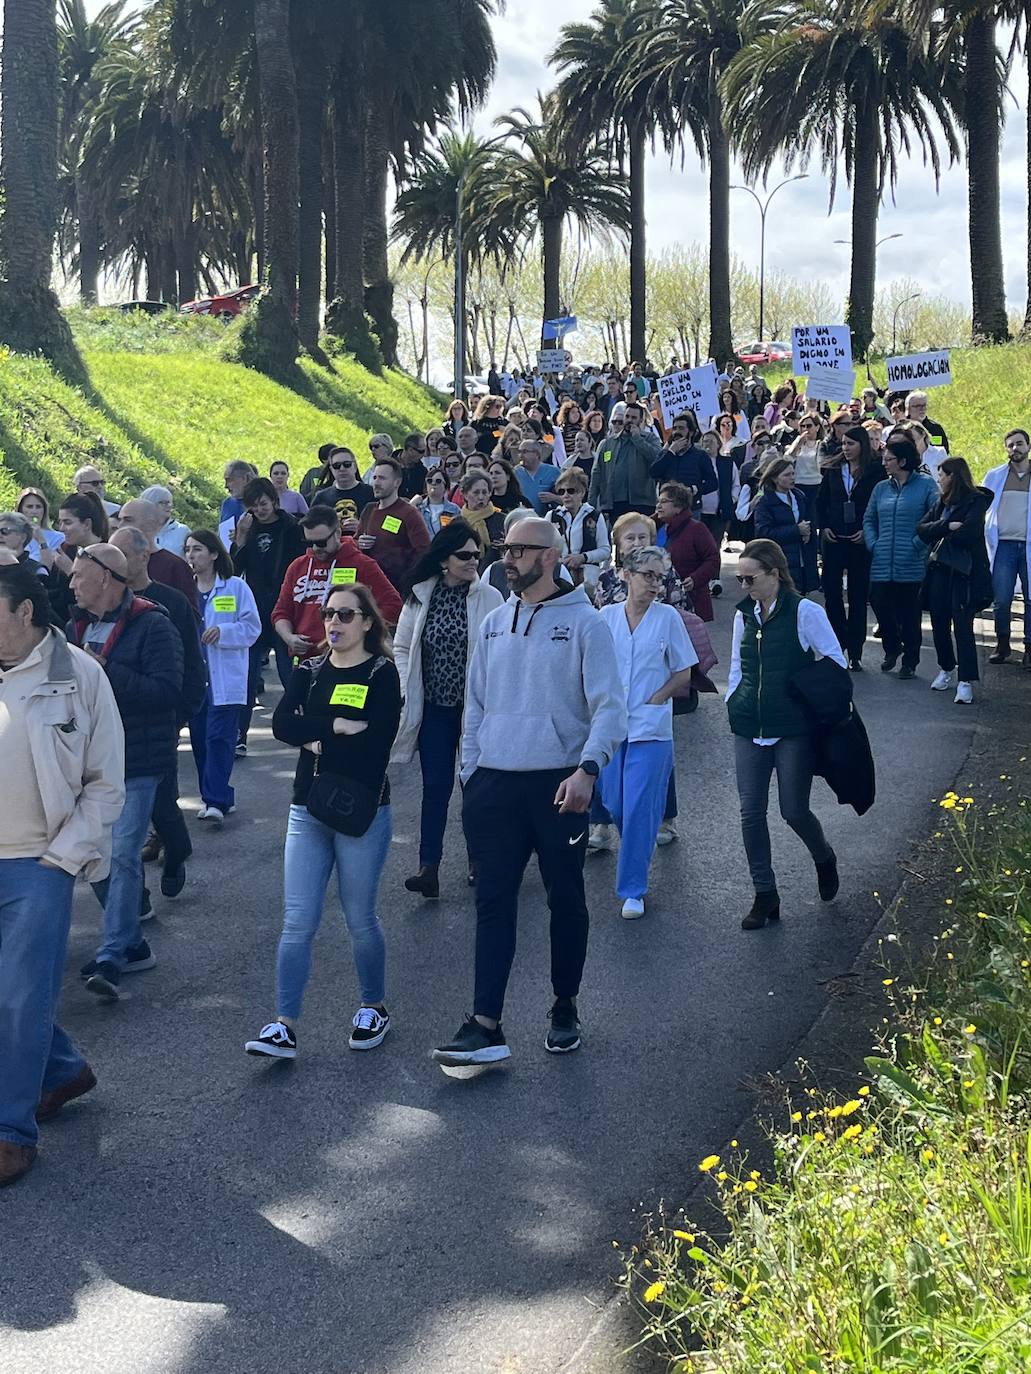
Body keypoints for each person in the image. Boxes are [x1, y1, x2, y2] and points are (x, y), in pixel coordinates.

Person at [432, 517, 626, 1067]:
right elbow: (476, 705)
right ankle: (485, 1023)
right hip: (494, 783)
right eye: (506, 549)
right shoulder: (494, 622)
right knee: (493, 902)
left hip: (559, 782)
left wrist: (588, 768)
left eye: (519, 550)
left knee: (566, 898)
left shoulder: (587, 625)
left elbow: (609, 707)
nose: (508, 558)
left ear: (550, 557)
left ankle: (564, 1006)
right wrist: (472, 774)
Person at [0, 557, 125, 1188]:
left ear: (24, 611)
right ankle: (62, 1070)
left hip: (39, 863)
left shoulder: (80, 676)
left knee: (18, 997)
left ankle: (10, 1134)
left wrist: (61, 859)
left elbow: (106, 784)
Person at [245, 584, 401, 1059]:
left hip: (362, 811)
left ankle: (373, 1006)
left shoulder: (381, 673)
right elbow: (281, 726)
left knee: (359, 920)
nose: (334, 623)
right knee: (297, 922)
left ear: (368, 623)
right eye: (329, 614)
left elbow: (376, 745)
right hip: (307, 806)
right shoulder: (309, 670)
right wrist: (331, 729)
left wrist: (312, 737)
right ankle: (283, 1024)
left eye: (346, 615)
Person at [66, 542, 184, 999]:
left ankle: (113, 954)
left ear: (106, 578)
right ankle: (134, 944)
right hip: (83, 759)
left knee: (121, 853)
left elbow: (166, 692)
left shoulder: (152, 624)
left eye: (79, 575)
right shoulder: (73, 626)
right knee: (92, 854)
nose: (72, 583)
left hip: (137, 760)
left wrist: (104, 671)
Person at [727, 538, 844, 930]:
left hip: (792, 727)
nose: (743, 587)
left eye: (749, 579)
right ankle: (765, 894)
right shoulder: (744, 614)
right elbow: (736, 666)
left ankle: (823, 855)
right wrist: (734, 700)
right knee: (750, 812)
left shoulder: (804, 611)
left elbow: (834, 662)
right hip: (749, 724)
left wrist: (802, 692)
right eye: (739, 579)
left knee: (793, 810)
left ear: (774, 574)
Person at [392, 522, 504, 899]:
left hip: (477, 710)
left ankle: (480, 860)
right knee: (435, 788)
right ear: (444, 560)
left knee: (475, 787)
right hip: (436, 710)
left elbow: (503, 652)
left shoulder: (490, 598)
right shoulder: (420, 597)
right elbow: (403, 647)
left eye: (477, 554)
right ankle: (429, 867)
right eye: (465, 555)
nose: (474, 561)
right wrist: (408, 687)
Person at [597, 547, 697, 919]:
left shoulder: (667, 617)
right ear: (626, 575)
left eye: (661, 577)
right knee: (616, 803)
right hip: (610, 729)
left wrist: (657, 699)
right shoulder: (605, 617)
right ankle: (637, 844)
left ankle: (633, 888)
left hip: (652, 729)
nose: (656, 584)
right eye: (648, 576)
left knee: (638, 807)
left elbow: (683, 672)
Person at [109, 524, 206, 902]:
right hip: (115, 721)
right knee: (122, 814)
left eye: (123, 556)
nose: (115, 566)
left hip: (161, 715)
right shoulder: (108, 599)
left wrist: (182, 711)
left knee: (162, 802)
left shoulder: (170, 601)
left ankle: (177, 850)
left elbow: (192, 666)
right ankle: (137, 898)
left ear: (143, 555)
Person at [184, 530, 260, 823]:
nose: (192, 555)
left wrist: (224, 632)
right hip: (196, 679)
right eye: (188, 550)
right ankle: (219, 796)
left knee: (219, 739)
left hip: (225, 679)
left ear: (214, 554)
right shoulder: (185, 590)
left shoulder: (235, 588)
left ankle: (214, 799)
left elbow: (252, 628)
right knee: (201, 740)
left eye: (198, 549)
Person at [231, 477, 305, 751]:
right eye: (253, 506)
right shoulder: (248, 529)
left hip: (285, 609)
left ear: (274, 501)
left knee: (290, 673)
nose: (259, 510)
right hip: (254, 610)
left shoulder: (291, 528)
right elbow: (232, 570)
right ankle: (239, 735)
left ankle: (302, 728)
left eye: (263, 504)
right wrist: (240, 538)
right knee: (247, 677)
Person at [272, 508, 402, 664]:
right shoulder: (297, 566)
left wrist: (358, 629)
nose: (315, 548)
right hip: (302, 659)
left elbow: (393, 605)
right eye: (309, 542)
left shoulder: (362, 564)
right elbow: (281, 612)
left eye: (321, 542)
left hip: (348, 658)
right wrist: (289, 638)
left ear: (337, 534)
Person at [917, 457, 992, 704]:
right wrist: (948, 525)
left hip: (964, 574)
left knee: (963, 626)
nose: (939, 480)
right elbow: (923, 529)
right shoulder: (942, 503)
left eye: (942, 475)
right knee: (938, 621)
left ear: (953, 476)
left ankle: (966, 679)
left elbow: (969, 534)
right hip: (940, 569)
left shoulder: (976, 501)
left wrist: (949, 531)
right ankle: (946, 667)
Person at [863, 434, 938, 679]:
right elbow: (869, 518)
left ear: (903, 461)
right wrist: (874, 543)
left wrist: (919, 544)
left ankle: (910, 660)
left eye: (889, 459)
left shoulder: (926, 485)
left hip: (912, 560)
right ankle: (892, 648)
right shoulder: (881, 488)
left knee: (909, 613)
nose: (885, 463)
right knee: (879, 602)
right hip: (882, 559)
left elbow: (936, 517)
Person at [817, 425, 882, 670]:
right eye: (843, 444)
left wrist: (868, 531)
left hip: (858, 540)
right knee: (832, 595)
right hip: (834, 539)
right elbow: (821, 501)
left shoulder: (874, 471)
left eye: (850, 444)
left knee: (857, 596)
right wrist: (823, 527)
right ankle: (837, 643)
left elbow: (876, 506)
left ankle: (855, 650)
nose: (845, 448)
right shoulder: (834, 469)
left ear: (862, 446)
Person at [983, 428, 1031, 666]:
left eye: (1019, 444)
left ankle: (1030, 646)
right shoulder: (995, 476)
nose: (1015, 449)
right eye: (1010, 445)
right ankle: (1002, 643)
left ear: (1028, 446)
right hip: (1004, 545)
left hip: (1029, 545)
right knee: (1002, 598)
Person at [355, 457, 431, 591]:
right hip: (368, 587)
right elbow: (355, 543)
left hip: (397, 587)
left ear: (397, 482)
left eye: (382, 478)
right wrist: (359, 543)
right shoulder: (369, 509)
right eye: (375, 478)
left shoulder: (409, 513)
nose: (376, 483)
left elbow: (424, 551)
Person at [117, 499, 199, 610]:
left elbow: (189, 615)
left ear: (150, 525)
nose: (120, 526)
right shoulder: (113, 560)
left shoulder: (175, 566)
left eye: (128, 520)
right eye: (119, 520)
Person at [654, 482, 719, 620]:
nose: (658, 506)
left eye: (664, 502)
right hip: (657, 598)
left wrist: (695, 578)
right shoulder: (651, 527)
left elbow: (713, 558)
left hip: (689, 599)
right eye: (658, 501)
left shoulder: (696, 529)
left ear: (678, 506)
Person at [588, 400, 661, 523]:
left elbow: (657, 460)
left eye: (634, 417)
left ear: (641, 420)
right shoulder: (608, 443)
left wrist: (638, 440)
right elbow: (597, 473)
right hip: (614, 503)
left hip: (642, 502)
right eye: (627, 416)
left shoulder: (650, 439)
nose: (629, 420)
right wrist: (591, 504)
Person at [753, 457, 817, 593]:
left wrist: (808, 532)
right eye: (787, 475)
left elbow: (809, 520)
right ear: (775, 478)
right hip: (779, 563)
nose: (792, 478)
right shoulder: (765, 502)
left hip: (802, 561)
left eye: (793, 474)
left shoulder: (799, 497)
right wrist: (796, 530)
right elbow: (762, 532)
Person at [548, 468, 610, 593]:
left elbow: (605, 550)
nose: (566, 495)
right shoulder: (551, 516)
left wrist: (583, 557)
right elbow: (544, 547)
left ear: (582, 492)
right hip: (559, 577)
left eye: (571, 491)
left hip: (588, 579)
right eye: (561, 491)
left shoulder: (595, 516)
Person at [650, 412, 718, 507]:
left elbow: (713, 483)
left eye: (681, 428)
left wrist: (694, 489)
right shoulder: (665, 454)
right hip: (667, 508)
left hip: (691, 507)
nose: (676, 432)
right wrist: (671, 452)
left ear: (691, 432)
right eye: (674, 428)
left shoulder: (700, 455)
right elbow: (654, 473)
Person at [309, 446, 375, 536]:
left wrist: (362, 527)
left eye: (347, 464)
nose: (342, 469)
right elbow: (311, 528)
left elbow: (383, 527)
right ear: (331, 470)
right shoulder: (321, 497)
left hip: (364, 547)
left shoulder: (372, 493)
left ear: (355, 466)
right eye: (337, 466)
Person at [455, 471, 505, 568]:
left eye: (485, 492)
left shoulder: (502, 520)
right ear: (465, 494)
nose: (481, 497)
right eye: (476, 492)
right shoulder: (457, 524)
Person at [785, 415, 825, 523]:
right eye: (802, 426)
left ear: (817, 427)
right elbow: (787, 460)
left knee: (812, 517)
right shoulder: (798, 443)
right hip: (798, 484)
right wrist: (798, 444)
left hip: (816, 485)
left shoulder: (821, 444)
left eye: (809, 426)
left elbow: (821, 465)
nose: (806, 429)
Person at [513, 437, 561, 515]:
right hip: (523, 519)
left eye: (525, 452)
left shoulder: (554, 472)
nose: (520, 456)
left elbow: (568, 498)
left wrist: (554, 498)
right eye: (519, 452)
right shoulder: (515, 472)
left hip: (546, 520)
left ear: (537, 454)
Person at [140, 485, 191, 557]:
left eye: (170, 502)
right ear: (149, 504)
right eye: (163, 503)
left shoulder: (182, 531)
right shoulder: (139, 530)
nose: (169, 506)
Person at [416, 467, 462, 536]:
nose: (433, 483)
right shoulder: (417, 507)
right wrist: (411, 505)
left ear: (445, 487)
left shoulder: (454, 509)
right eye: (429, 481)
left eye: (438, 481)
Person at [220, 460, 257, 534]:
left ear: (245, 478)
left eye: (229, 480)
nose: (226, 486)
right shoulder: (227, 503)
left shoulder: (261, 503)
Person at [394, 435, 429, 500]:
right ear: (410, 450)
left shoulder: (422, 471)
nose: (424, 454)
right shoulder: (388, 466)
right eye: (421, 451)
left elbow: (426, 494)